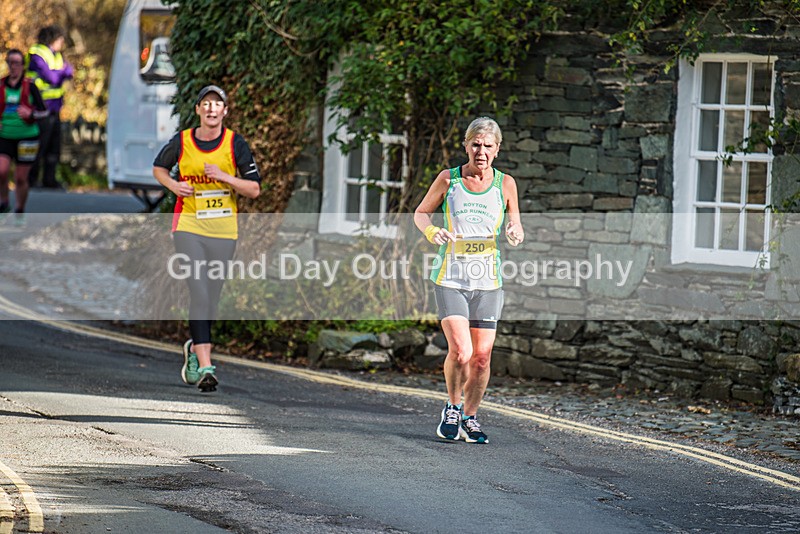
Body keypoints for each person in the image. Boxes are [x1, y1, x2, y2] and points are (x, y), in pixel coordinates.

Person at [414, 117, 524, 444]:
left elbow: (515, 223)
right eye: (475, 144)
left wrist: (515, 231)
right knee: (461, 351)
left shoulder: (506, 184)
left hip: (488, 282)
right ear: (466, 145)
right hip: (451, 277)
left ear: (497, 149)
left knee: (482, 357)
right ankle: (452, 407)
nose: (481, 151)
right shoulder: (449, 179)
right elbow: (420, 213)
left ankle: (470, 417)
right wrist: (432, 232)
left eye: (488, 146)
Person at [152, 85, 261, 392]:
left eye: (217, 104)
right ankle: (206, 366)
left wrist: (224, 177)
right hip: (188, 226)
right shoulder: (183, 141)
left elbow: (254, 189)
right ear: (198, 109)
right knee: (199, 291)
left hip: (224, 232)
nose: (212, 109)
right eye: (206, 104)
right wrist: (174, 186)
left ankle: (194, 348)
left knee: (211, 297)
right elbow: (159, 168)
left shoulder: (235, 143)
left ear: (225, 111)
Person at [0, 49, 48, 226]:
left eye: (17, 63)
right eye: (10, 62)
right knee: (1, 171)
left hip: (27, 137)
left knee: (20, 178)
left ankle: (20, 210)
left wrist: (31, 113)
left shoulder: (30, 85)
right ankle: (4, 203)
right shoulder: (1, 85)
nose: (13, 66)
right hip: (4, 135)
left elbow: (45, 112)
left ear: (22, 65)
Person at [25, 25, 73, 189]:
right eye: (60, 38)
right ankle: (31, 179)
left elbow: (69, 71)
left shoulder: (57, 55)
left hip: (55, 106)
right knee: (40, 145)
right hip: (41, 106)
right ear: (52, 38)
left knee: (54, 146)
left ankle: (49, 179)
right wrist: (61, 72)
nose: (62, 42)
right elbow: (51, 77)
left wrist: (61, 72)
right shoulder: (37, 54)